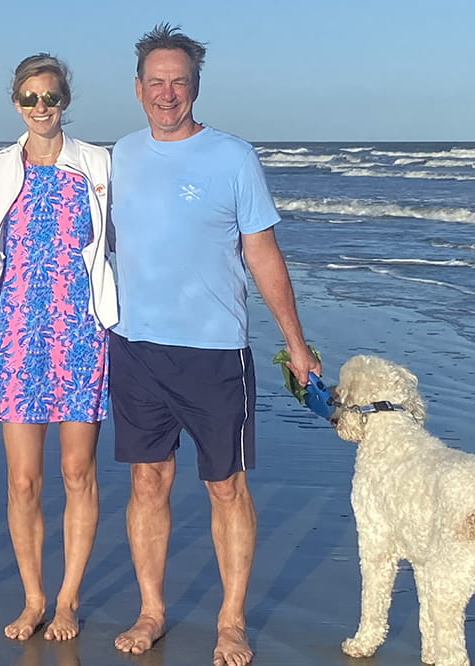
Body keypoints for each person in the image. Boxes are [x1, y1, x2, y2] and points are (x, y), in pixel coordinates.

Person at [109, 24, 320, 666]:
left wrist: (297, 343)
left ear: (194, 87)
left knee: (225, 486)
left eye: (178, 82)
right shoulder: (120, 154)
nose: (166, 93)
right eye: (156, 81)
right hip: (135, 347)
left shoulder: (233, 157)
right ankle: (152, 611)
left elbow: (261, 250)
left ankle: (231, 621)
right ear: (138, 87)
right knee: (148, 482)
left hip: (214, 352)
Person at [0, 53, 117, 642]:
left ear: (65, 101)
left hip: (80, 331)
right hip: (16, 330)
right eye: (31, 98)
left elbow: (121, 240)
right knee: (23, 480)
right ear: (16, 102)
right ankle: (34, 596)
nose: (41, 107)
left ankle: (67, 600)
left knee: (77, 470)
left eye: (51, 97)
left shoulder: (97, 163)